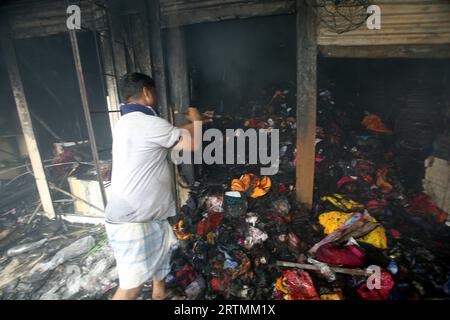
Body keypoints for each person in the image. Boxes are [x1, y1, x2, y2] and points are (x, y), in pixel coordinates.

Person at [105, 72, 202, 300]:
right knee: (131, 287)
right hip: (134, 221)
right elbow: (193, 144)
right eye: (155, 92)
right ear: (147, 92)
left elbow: (171, 132)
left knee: (161, 262)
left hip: (148, 216)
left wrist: (193, 124)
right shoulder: (148, 123)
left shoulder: (128, 122)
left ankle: (159, 294)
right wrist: (198, 121)